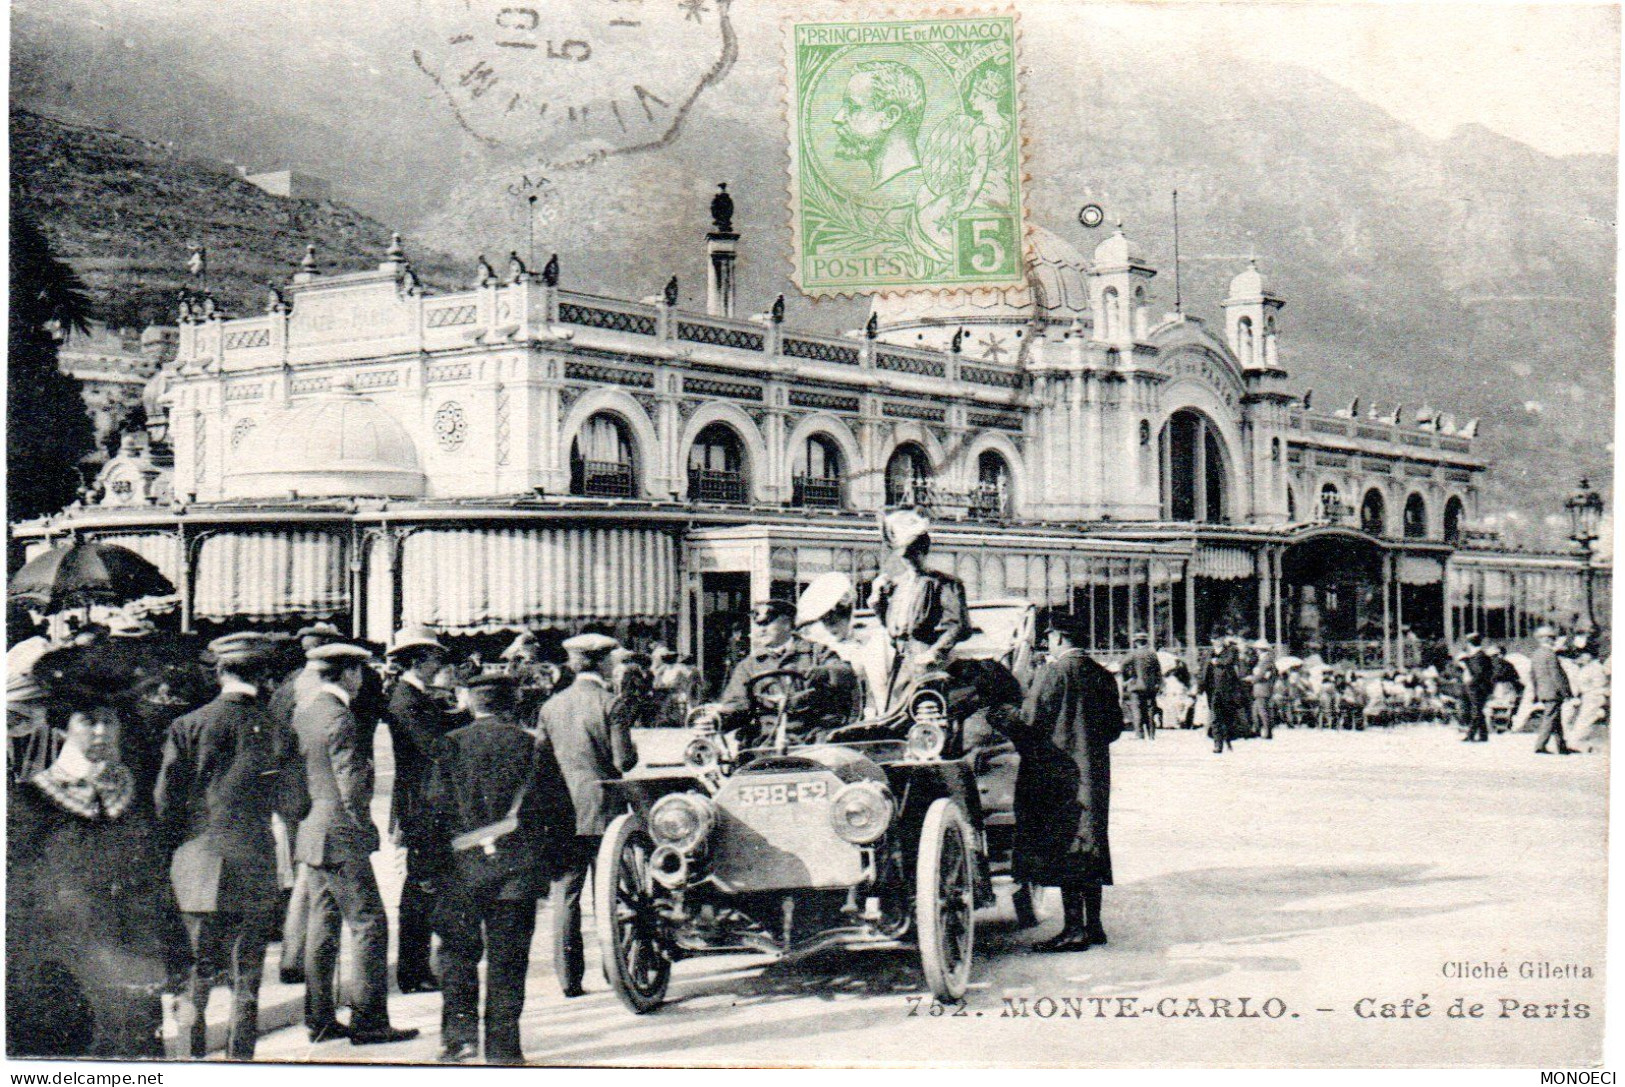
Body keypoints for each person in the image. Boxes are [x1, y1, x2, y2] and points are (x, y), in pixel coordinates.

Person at [8, 646, 190, 1059]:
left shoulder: (132, 797)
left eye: (109, 722)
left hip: (133, 970)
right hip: (63, 979)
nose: (101, 733)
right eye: (88, 722)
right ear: (65, 728)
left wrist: (178, 963)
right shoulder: (32, 803)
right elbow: (19, 903)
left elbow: (155, 881)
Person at [154, 632, 307, 1060]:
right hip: (253, 860)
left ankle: (190, 1058)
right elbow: (295, 803)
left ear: (219, 672)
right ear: (263, 676)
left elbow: (166, 803)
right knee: (247, 977)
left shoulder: (188, 724)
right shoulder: (279, 728)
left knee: (194, 977)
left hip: (196, 862)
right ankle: (240, 1061)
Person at [425, 674, 572, 1065]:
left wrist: (428, 868)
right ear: (513, 704)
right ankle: (504, 1051)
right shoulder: (533, 746)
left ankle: (458, 1040)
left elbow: (431, 810)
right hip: (517, 872)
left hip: (460, 869)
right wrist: (557, 864)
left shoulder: (449, 745)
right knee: (508, 961)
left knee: (457, 954)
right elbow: (557, 811)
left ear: (473, 704)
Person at [291, 642, 418, 1046]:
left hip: (313, 831)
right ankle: (369, 1020)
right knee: (369, 924)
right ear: (349, 674)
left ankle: (320, 1018)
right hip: (341, 834)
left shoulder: (306, 713)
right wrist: (365, 831)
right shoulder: (342, 719)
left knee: (322, 926)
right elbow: (351, 788)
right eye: (359, 671)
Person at [1001, 611, 1124, 952]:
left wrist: (1000, 717)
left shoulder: (1053, 673)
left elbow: (1029, 722)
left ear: (1057, 638)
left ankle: (1073, 930)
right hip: (1095, 773)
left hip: (1060, 775)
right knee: (1091, 841)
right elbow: (1114, 728)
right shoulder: (1102, 675)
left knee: (1068, 843)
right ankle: (1094, 926)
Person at [536, 632, 638, 998]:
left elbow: (541, 760)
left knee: (566, 895)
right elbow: (622, 760)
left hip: (563, 811)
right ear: (604, 662)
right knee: (609, 894)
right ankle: (617, 972)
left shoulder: (551, 706)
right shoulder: (612, 703)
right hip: (605, 808)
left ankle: (569, 979)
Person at [382, 624, 454, 994]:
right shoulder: (407, 699)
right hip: (421, 803)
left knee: (425, 885)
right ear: (419, 659)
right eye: (434, 657)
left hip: (423, 800)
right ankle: (413, 971)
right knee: (421, 887)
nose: (438, 664)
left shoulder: (414, 695)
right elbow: (435, 747)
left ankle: (418, 967)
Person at [869, 510, 969, 711]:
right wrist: (878, 603)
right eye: (904, 555)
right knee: (891, 712)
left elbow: (959, 627)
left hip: (927, 661)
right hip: (898, 661)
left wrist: (935, 653)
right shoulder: (898, 585)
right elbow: (891, 627)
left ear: (923, 551)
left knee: (925, 711)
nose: (908, 560)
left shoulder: (943, 583)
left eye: (913, 553)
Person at [708, 600, 845, 746]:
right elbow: (737, 704)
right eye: (758, 625)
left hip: (813, 737)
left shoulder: (817, 653)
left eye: (767, 623)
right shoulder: (749, 666)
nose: (761, 630)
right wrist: (717, 720)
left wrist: (822, 672)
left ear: (786, 624)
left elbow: (844, 673)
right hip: (766, 740)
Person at [1530, 626, 1576, 755]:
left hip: (1543, 691)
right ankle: (1540, 746)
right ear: (1545, 639)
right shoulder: (1550, 654)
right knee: (1550, 718)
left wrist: (1536, 692)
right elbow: (1556, 675)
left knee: (1556, 719)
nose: (1553, 640)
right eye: (1551, 638)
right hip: (1553, 692)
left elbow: (1532, 675)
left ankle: (1562, 746)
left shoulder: (1536, 654)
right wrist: (1566, 692)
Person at [1197, 635, 1244, 753]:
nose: (1216, 641)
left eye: (1219, 639)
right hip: (1212, 690)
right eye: (1214, 639)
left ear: (1223, 640)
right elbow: (1202, 671)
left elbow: (1230, 661)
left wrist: (1217, 661)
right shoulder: (1207, 653)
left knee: (1228, 716)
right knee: (1215, 717)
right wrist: (1199, 688)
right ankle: (1218, 744)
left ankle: (1228, 739)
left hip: (1227, 690)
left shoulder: (1231, 651)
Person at [1121, 633, 1162, 741]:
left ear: (1136, 642)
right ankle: (1151, 734)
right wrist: (1158, 684)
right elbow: (1158, 670)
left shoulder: (1133, 654)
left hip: (1136, 686)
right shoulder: (1152, 654)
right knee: (1150, 710)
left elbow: (1122, 665)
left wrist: (1128, 678)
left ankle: (1139, 734)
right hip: (1151, 687)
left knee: (1137, 710)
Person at [1457, 632, 1495, 742]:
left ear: (1469, 644)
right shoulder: (1478, 656)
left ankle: (1471, 735)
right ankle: (1483, 735)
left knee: (1476, 711)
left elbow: (1478, 674)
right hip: (1478, 687)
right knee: (1478, 710)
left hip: (1477, 687)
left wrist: (1470, 684)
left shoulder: (1479, 656)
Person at [1248, 639, 1276, 740]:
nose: (1256, 652)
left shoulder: (1266, 660)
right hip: (1260, 688)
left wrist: (1252, 679)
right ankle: (1257, 730)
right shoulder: (1264, 660)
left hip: (1262, 688)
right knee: (1256, 710)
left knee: (1262, 711)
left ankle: (1267, 732)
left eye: (1257, 650)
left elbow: (1261, 675)